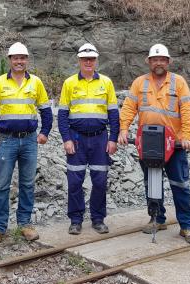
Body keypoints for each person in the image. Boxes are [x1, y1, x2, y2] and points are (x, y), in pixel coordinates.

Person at [118, 44, 190, 244]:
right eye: (155, 59)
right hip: (148, 143)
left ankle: (187, 226)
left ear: (168, 62)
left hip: (175, 143)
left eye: (162, 59)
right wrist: (123, 129)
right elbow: (129, 108)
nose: (159, 62)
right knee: (152, 184)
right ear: (149, 62)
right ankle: (157, 219)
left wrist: (187, 135)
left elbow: (187, 109)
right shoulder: (139, 83)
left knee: (180, 184)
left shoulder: (178, 82)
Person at [0, 42, 53, 247]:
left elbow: (46, 110)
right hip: (6, 140)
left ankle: (25, 223)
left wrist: (45, 132)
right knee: (2, 184)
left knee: (28, 184)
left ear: (27, 60)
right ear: (10, 60)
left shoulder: (36, 83)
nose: (19, 61)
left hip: (30, 140)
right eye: (16, 58)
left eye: (23, 57)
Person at [57, 43, 119, 235]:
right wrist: (66, 139)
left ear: (96, 60)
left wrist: (113, 138)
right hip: (76, 139)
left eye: (91, 58)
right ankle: (75, 220)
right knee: (75, 181)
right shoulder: (69, 83)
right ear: (79, 61)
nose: (88, 62)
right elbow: (62, 115)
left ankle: (98, 219)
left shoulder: (106, 83)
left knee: (100, 180)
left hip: (100, 138)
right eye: (85, 59)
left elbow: (114, 113)